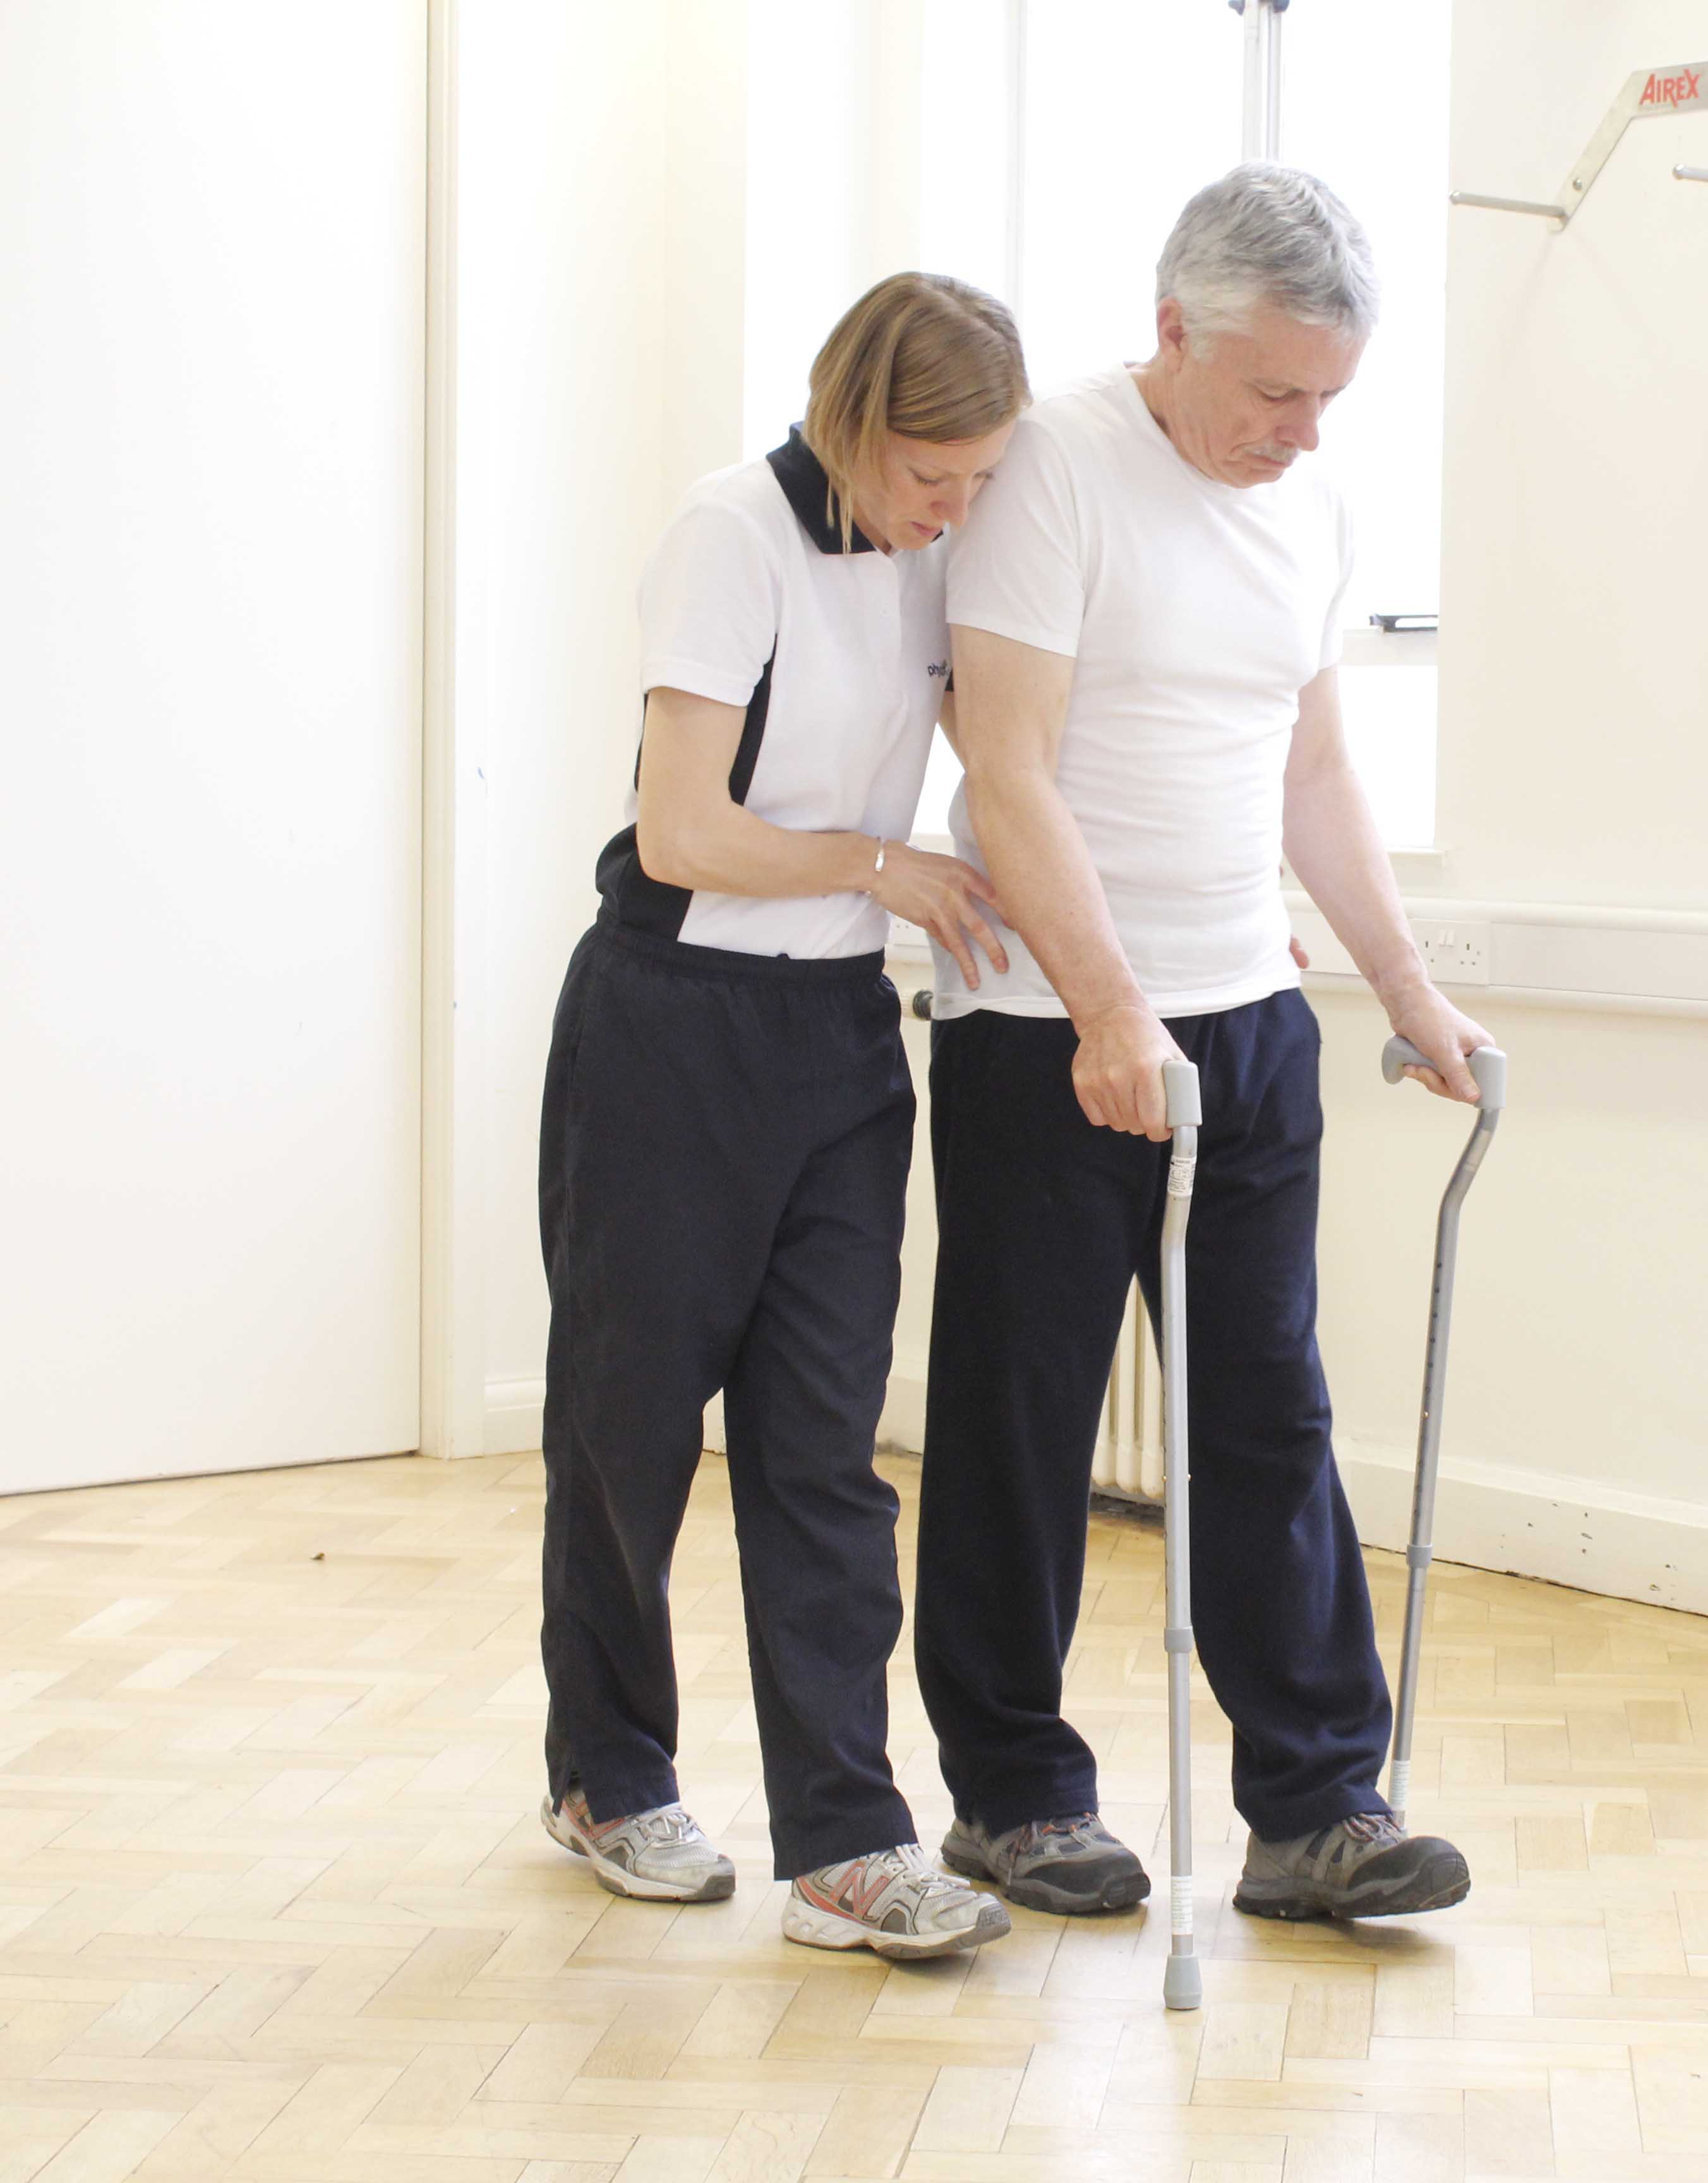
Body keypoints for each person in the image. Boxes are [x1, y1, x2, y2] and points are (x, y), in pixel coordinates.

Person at [916, 167, 1493, 1922]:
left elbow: (1313, 770)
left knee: (1267, 1413)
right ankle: (1014, 1796)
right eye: (1276, 394)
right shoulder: (1055, 475)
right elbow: (1004, 762)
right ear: (1172, 333)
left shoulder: (1305, 516)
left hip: (1248, 1024)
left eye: (1331, 397)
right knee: (1022, 1417)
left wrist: (1404, 989)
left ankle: (1318, 1808)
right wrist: (1101, 1003)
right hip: (1049, 1033)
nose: (1305, 434)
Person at [534, 272, 1026, 1959]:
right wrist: (887, 866)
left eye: (978, 485)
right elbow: (683, 831)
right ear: (855, 418)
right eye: (931, 478)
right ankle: (608, 1773)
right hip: (671, 1028)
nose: (952, 513)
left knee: (823, 1452)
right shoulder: (729, 534)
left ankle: (847, 1840)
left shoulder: (937, 550)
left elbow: (1013, 738)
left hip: (836, 1041)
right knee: (630, 1431)